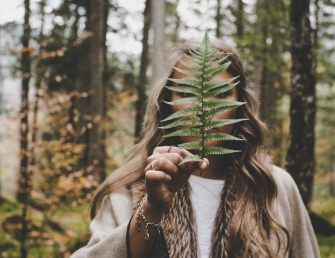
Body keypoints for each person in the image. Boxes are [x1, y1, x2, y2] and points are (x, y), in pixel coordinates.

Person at [71, 39, 320, 258]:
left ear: (240, 105)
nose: (204, 109)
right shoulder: (130, 188)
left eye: (221, 93)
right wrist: (153, 207)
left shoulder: (274, 187)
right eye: (188, 93)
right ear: (167, 104)